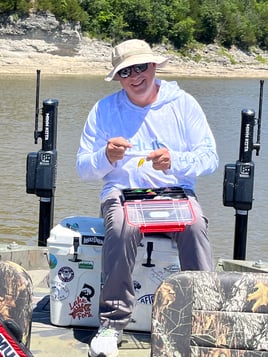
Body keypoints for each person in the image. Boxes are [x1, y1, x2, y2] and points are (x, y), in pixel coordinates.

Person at [76, 39, 219, 357]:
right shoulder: (103, 110)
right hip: (123, 193)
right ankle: (112, 324)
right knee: (123, 226)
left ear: (154, 66)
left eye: (141, 67)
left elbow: (210, 158)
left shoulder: (183, 104)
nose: (135, 76)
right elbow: (83, 168)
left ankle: (206, 318)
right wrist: (106, 156)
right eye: (126, 71)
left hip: (174, 192)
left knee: (195, 225)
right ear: (118, 77)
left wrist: (176, 161)